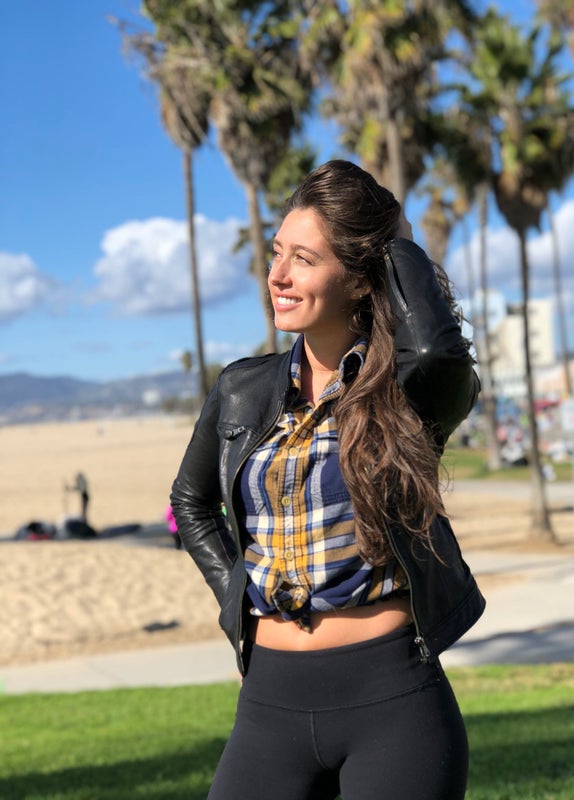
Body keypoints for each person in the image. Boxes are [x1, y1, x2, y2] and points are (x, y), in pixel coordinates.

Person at [170, 160, 485, 800]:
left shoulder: (408, 391)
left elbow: (437, 351)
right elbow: (191, 502)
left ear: (362, 279)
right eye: (276, 252)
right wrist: (236, 591)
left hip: (393, 700)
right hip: (269, 700)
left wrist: (395, 239)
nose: (278, 276)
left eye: (304, 259)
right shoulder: (241, 388)